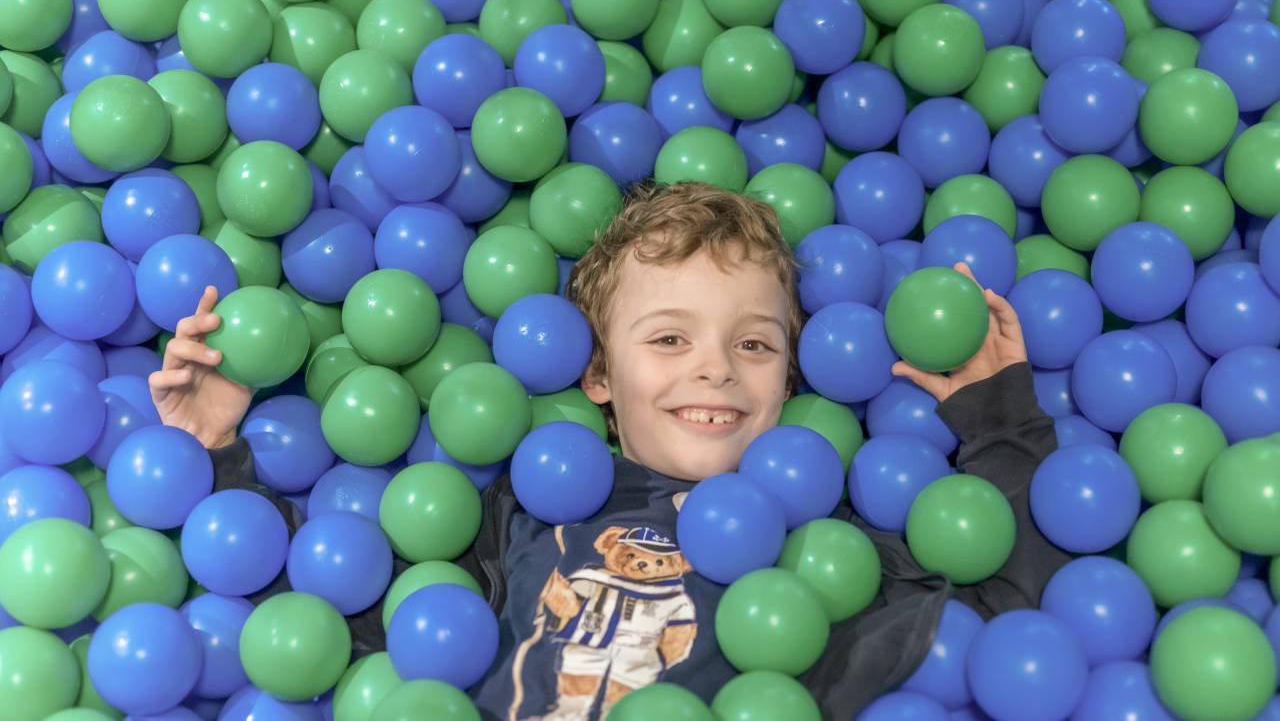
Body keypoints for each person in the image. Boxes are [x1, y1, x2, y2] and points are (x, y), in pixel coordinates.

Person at [150, 180, 1070, 720]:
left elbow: (1006, 616)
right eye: (669, 340)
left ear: (790, 380)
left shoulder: (832, 555)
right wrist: (216, 449)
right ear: (596, 374)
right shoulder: (520, 514)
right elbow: (331, 633)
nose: (714, 369)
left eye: (753, 345)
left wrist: (999, 417)